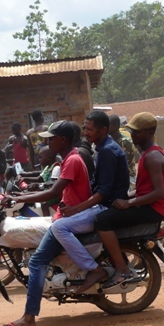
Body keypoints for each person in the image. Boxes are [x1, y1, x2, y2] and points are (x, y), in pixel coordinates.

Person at [1, 121, 92, 326]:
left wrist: (16, 198)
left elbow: (53, 193)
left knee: (36, 261)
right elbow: (54, 189)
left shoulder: (72, 160)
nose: (47, 141)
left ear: (64, 140)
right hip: (63, 216)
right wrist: (20, 195)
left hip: (68, 219)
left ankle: (29, 318)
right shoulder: (69, 158)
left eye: (51, 138)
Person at [51, 111, 129, 294]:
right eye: (84, 128)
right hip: (100, 203)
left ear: (103, 130)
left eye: (90, 129)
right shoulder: (101, 148)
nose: (86, 133)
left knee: (59, 228)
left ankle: (94, 269)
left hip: (106, 206)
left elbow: (104, 192)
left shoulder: (108, 151)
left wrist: (77, 208)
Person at [92, 112, 164, 286]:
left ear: (150, 132)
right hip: (149, 204)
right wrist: (123, 198)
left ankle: (122, 268)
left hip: (154, 209)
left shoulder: (152, 157)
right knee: (108, 209)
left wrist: (129, 203)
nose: (133, 135)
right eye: (132, 132)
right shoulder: (147, 154)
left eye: (137, 132)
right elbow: (143, 190)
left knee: (101, 220)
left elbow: (159, 193)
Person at [109, 114, 138, 189]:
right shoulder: (108, 141)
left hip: (128, 176)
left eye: (108, 125)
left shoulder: (125, 142)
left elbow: (124, 162)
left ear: (115, 126)